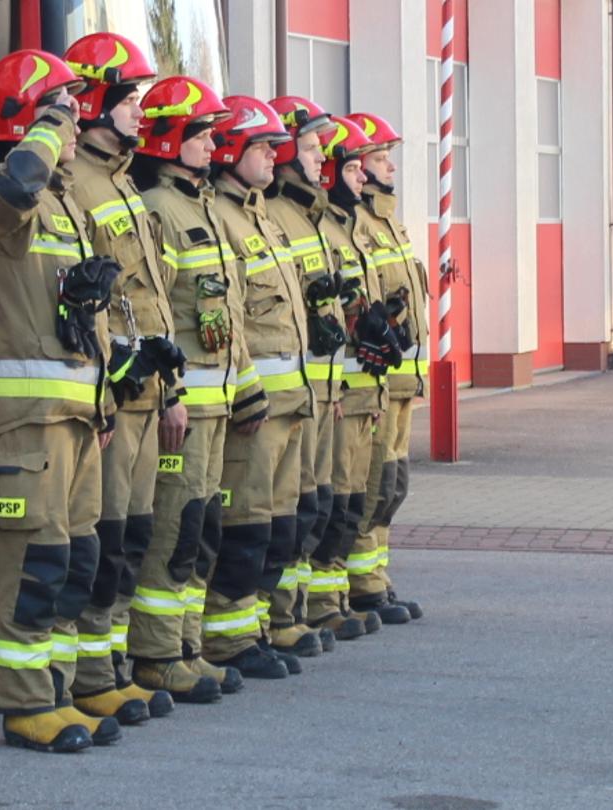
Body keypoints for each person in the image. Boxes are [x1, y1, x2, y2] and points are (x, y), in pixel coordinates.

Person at [0, 49, 111, 753]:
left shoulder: (67, 206)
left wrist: (104, 406)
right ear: (34, 114)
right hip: (28, 424)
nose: (80, 123)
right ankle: (25, 706)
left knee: (73, 562)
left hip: (77, 420)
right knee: (34, 566)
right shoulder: (6, 202)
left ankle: (55, 692)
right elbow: (17, 183)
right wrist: (52, 123)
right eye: (66, 107)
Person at [126, 74, 261, 704]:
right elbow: (153, 314)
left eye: (212, 135)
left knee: (200, 528)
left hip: (217, 404)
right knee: (174, 531)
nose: (213, 146)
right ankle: (156, 654)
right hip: (185, 408)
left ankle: (186, 645)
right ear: (170, 138)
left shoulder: (202, 206)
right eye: (201, 135)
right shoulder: (160, 208)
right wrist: (171, 393)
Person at [61, 31, 178, 728]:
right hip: (110, 399)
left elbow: (151, 295)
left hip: (144, 393)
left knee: (131, 537)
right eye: (131, 98)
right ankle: (86, 675)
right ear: (96, 99)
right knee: (97, 543)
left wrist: (170, 388)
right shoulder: (78, 183)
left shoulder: (126, 185)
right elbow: (78, 306)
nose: (144, 111)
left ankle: (109, 668)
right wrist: (103, 397)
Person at [202, 94, 316, 679]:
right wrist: (246, 389)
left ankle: (258, 625)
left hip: (290, 400)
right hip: (255, 406)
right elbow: (231, 317)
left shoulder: (261, 213)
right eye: (263, 148)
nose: (275, 157)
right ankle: (228, 636)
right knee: (244, 522)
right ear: (230, 151)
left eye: (276, 148)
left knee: (277, 524)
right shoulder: (220, 215)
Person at [262, 94, 348, 657]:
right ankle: (272, 616)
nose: (325, 160)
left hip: (317, 387)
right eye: (315, 148)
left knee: (307, 506)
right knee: (276, 509)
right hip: (284, 392)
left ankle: (287, 612)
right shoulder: (278, 217)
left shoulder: (311, 216)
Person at [309, 118, 395, 639]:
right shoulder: (325, 226)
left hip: (365, 383)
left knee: (364, 493)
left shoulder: (355, 224)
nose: (364, 175)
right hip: (334, 389)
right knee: (332, 498)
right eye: (354, 165)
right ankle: (321, 602)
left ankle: (339, 593)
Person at [343, 111, 427, 624]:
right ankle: (361, 581)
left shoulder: (389, 221)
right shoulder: (360, 224)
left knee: (392, 484)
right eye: (378, 158)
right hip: (372, 381)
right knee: (371, 480)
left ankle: (378, 573)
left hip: (401, 381)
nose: (389, 165)